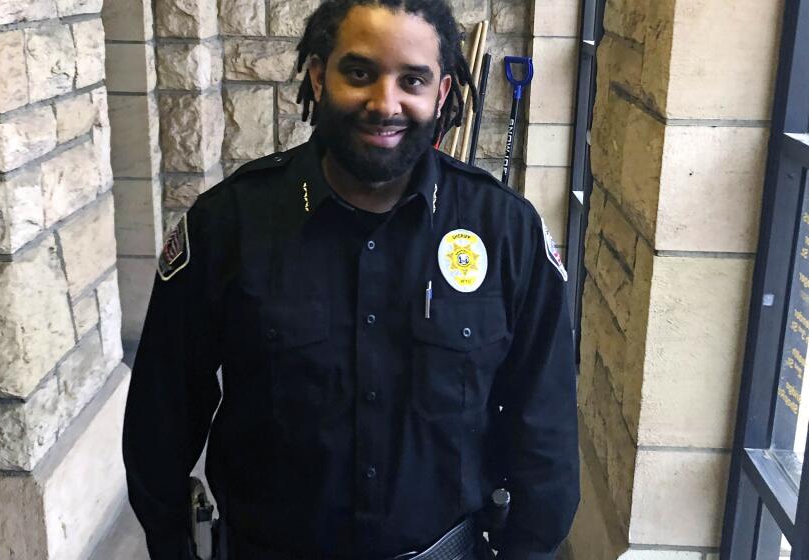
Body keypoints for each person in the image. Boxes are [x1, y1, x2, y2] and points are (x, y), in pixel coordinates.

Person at [122, 1, 579, 559]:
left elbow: (544, 424)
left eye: (413, 80)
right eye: (359, 73)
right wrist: (171, 544)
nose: (385, 103)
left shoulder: (508, 232)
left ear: (442, 93)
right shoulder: (229, 224)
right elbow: (162, 412)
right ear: (318, 75)